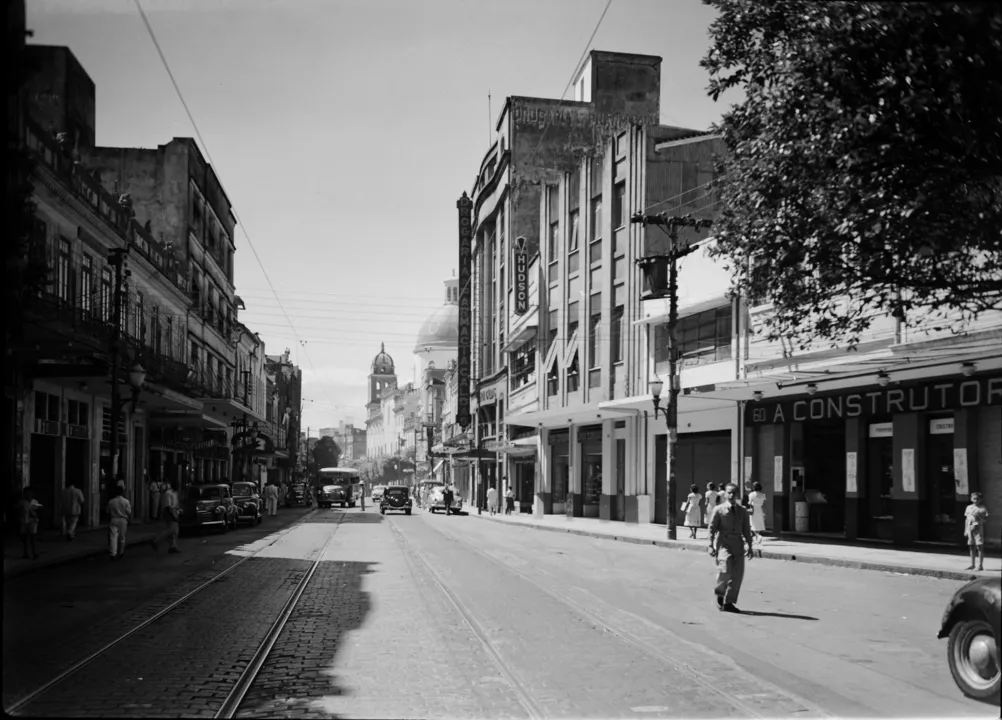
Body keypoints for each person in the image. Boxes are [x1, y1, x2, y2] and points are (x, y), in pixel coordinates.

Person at [708, 482, 755, 613]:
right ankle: (720, 593)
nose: (731, 495)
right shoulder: (719, 510)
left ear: (737, 495)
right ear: (725, 494)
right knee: (725, 570)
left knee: (737, 575)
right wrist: (710, 545)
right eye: (729, 492)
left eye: (734, 493)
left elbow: (746, 529)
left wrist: (749, 546)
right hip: (724, 543)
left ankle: (729, 602)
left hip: (738, 544)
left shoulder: (742, 511)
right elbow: (711, 528)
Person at [151, 480, 181, 554]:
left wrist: (178, 511)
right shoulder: (168, 493)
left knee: (174, 530)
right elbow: (168, 506)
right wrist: (172, 515)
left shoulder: (175, 493)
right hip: (168, 511)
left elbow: (176, 504)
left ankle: (172, 546)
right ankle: (156, 540)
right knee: (172, 529)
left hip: (173, 510)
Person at [963, 492, 988, 572]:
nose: (976, 500)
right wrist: (966, 530)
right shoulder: (968, 507)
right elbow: (966, 519)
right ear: (971, 499)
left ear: (980, 499)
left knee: (979, 546)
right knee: (971, 546)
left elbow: (984, 520)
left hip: (978, 528)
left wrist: (976, 524)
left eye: (977, 499)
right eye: (974, 499)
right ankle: (972, 564)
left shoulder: (982, 508)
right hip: (970, 528)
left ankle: (980, 565)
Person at [106, 485, 133, 560]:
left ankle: (113, 553)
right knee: (122, 537)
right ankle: (121, 552)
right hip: (122, 519)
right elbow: (129, 512)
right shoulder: (126, 501)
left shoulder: (111, 501)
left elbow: (107, 511)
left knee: (113, 536)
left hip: (114, 519)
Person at [17, 488, 42, 560]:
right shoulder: (22, 502)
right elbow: (19, 510)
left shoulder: (34, 501)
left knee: (33, 537)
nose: (28, 495)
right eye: (26, 493)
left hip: (33, 521)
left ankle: (34, 553)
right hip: (24, 521)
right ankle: (26, 553)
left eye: (29, 493)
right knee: (24, 538)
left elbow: (39, 510)